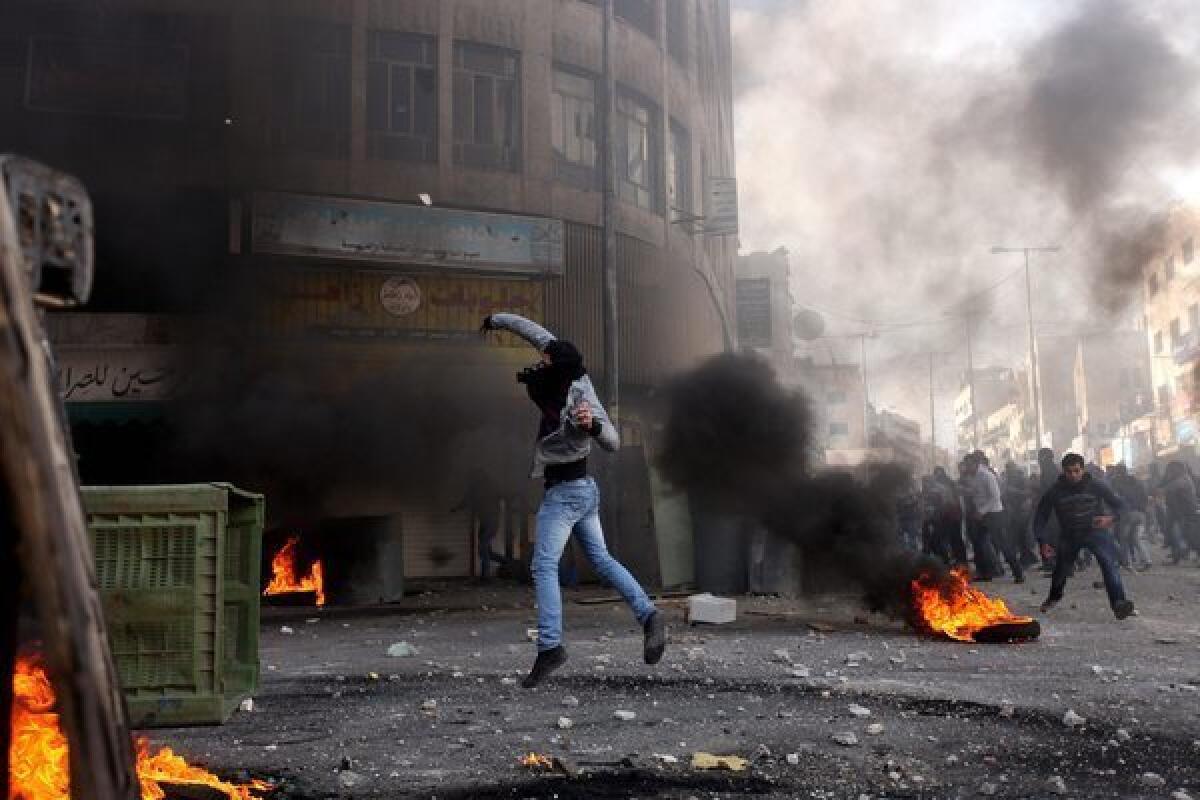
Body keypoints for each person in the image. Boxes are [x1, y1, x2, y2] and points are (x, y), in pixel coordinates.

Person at [481, 312, 665, 688]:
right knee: (601, 560)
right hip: (584, 492)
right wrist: (497, 320)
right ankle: (649, 615)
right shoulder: (568, 368)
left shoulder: (577, 403)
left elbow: (611, 442)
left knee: (543, 567)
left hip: (565, 496)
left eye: (546, 361)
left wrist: (591, 425)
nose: (541, 361)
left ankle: (550, 647)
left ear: (558, 370)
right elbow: (539, 334)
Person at [1033, 453, 1135, 619]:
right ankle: (1054, 597)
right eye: (1069, 472)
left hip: (1095, 532)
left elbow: (1121, 506)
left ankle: (1119, 604)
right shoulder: (1055, 491)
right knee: (1061, 570)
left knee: (1108, 564)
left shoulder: (1097, 486)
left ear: (1082, 469)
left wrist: (1111, 518)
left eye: (1076, 471)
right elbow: (1040, 517)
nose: (1073, 475)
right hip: (1070, 535)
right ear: (1063, 472)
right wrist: (1042, 541)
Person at [964, 453, 1023, 582]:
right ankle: (985, 573)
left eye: (968, 465)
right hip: (980, 514)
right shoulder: (972, 477)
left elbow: (995, 496)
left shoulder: (987, 476)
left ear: (975, 463)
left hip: (994, 514)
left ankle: (1018, 573)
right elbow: (977, 494)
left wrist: (982, 511)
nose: (966, 468)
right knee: (979, 544)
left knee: (1003, 544)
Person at [452, 469, 506, 581]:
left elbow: (466, 500)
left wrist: (456, 508)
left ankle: (485, 576)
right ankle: (509, 563)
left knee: (483, 547)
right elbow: (467, 500)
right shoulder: (484, 487)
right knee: (484, 551)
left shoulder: (482, 487)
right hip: (486, 522)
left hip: (490, 521)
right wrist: (457, 508)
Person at [1109, 464, 1153, 570]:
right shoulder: (1138, 482)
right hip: (1140, 513)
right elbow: (1145, 498)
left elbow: (1115, 499)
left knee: (1123, 539)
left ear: (1118, 472)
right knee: (1137, 539)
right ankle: (1147, 560)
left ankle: (1126, 562)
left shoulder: (1117, 482)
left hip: (1127, 514)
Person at [1161, 461, 1200, 561]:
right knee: (1176, 534)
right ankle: (1177, 555)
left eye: (1171, 469)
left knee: (1191, 536)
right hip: (1178, 511)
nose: (1169, 472)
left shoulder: (1183, 479)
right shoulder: (1177, 479)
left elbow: (1169, 488)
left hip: (1187, 512)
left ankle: (1182, 554)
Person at [929, 466, 967, 565]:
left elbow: (949, 502)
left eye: (937, 474)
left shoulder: (946, 485)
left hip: (951, 516)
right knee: (954, 540)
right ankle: (958, 561)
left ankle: (953, 562)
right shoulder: (947, 484)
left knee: (950, 540)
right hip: (950, 516)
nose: (936, 477)